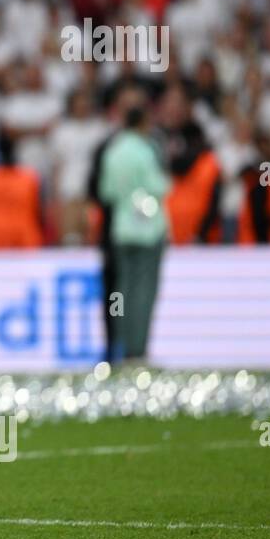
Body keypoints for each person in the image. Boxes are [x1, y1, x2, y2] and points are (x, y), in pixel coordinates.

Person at [98, 102, 171, 363]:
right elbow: (157, 186)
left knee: (123, 291)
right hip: (147, 228)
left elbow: (106, 191)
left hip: (121, 228)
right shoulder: (145, 149)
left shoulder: (113, 151)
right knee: (144, 292)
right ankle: (138, 350)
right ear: (142, 124)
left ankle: (123, 347)